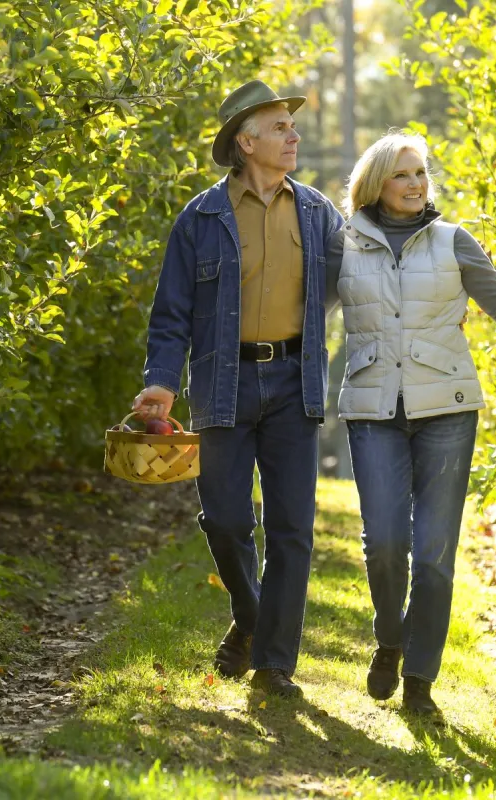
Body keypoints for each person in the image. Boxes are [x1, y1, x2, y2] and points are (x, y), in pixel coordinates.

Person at [326, 131, 496, 716]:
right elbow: (304, 315)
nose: (416, 183)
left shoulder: (454, 241)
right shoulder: (342, 245)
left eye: (421, 172)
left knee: (432, 553)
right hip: (373, 410)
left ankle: (421, 683)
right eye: (403, 174)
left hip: (447, 411)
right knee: (386, 544)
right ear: (376, 182)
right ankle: (390, 639)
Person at [134, 80, 343, 699]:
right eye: (281, 127)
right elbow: (170, 313)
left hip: (293, 380)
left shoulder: (317, 211)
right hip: (222, 382)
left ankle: (276, 662)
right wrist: (160, 385)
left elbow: (354, 278)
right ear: (245, 141)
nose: (294, 136)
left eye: (292, 127)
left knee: (291, 529)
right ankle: (252, 622)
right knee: (224, 521)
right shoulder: (199, 219)